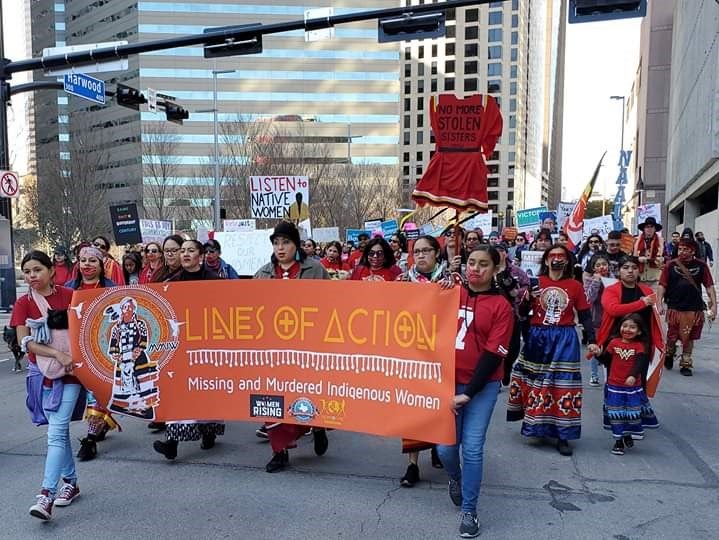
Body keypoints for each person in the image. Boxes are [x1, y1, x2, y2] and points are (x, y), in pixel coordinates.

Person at [437, 245, 514, 539]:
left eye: (483, 264)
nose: (476, 269)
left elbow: (494, 355)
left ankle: (470, 510)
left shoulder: (501, 307)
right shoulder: (451, 292)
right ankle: (455, 478)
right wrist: (437, 288)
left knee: (471, 448)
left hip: (482, 386)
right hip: (446, 381)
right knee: (445, 449)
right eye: (471, 262)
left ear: (496, 269)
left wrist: (468, 392)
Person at [11, 251, 85, 520]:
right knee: (58, 431)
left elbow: (85, 329)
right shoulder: (23, 303)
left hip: (71, 373)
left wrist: (70, 357)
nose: (32, 276)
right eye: (27, 271)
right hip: (41, 373)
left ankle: (46, 495)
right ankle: (71, 483)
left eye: (37, 270)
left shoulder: (70, 296)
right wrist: (56, 353)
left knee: (55, 432)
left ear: (51, 270)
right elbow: (25, 342)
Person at [507, 245, 598, 456]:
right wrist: (527, 299)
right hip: (538, 337)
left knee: (563, 386)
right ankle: (537, 425)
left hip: (565, 338)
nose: (557, 259)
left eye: (561, 256)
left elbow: (585, 315)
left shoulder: (575, 286)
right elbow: (522, 313)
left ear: (567, 261)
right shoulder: (535, 283)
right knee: (537, 383)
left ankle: (563, 434)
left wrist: (593, 340)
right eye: (553, 256)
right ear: (546, 260)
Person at [254, 221, 330, 472]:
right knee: (272, 395)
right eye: (276, 243)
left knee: (307, 391)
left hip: (307, 345)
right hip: (273, 348)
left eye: (285, 242)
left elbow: (333, 304)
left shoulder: (315, 270)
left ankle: (317, 426)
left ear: (296, 245)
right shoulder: (263, 273)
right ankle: (279, 451)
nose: (280, 247)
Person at [153, 240, 225, 460]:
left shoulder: (214, 281)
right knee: (180, 390)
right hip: (182, 344)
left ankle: (208, 431)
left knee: (205, 390)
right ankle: (172, 442)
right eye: (182, 250)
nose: (185, 254)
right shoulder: (171, 283)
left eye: (190, 250)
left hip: (207, 344)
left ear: (200, 256)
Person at [396, 235, 456, 487]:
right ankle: (412, 465)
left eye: (426, 251)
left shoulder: (451, 280)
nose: (420, 255)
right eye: (416, 251)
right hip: (412, 353)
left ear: (436, 253)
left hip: (443, 355)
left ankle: (437, 447)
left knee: (440, 407)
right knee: (413, 409)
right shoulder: (402, 281)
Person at [66, 246, 121, 462]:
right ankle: (97, 426)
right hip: (75, 347)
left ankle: (90, 440)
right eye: (83, 260)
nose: (87, 265)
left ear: (100, 264)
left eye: (92, 261)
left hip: (103, 348)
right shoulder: (69, 289)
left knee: (97, 391)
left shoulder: (112, 289)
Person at [597, 313, 659, 455]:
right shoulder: (613, 343)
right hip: (614, 387)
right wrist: (598, 354)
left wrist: (633, 375)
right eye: (624, 326)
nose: (627, 329)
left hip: (632, 388)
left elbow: (640, 363)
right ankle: (618, 442)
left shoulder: (640, 346)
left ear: (639, 331)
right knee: (616, 414)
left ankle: (627, 434)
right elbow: (606, 361)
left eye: (632, 327)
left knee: (630, 414)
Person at [656, 238, 717, 376]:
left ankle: (686, 363)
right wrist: (659, 303)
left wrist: (714, 306)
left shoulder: (701, 266)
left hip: (694, 308)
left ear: (692, 251)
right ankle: (669, 353)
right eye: (680, 249)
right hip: (675, 307)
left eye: (685, 249)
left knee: (689, 337)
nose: (681, 252)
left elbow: (709, 286)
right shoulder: (670, 265)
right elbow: (662, 285)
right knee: (672, 336)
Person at [493, 242, 529, 386]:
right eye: (495, 251)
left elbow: (526, 286)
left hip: (513, 313)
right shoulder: (487, 269)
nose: (498, 253)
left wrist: (516, 292)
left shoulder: (516, 271)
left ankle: (507, 366)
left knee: (513, 347)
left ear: (505, 253)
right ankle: (496, 372)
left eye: (500, 250)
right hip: (493, 315)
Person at [583, 253, 611, 386]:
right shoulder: (589, 280)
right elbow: (589, 298)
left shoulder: (614, 279)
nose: (602, 267)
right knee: (596, 347)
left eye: (604, 264)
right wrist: (596, 281)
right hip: (596, 319)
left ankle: (608, 375)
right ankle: (594, 375)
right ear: (593, 268)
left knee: (609, 348)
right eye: (598, 265)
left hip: (610, 318)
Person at [633, 217, 664, 288]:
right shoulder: (636, 240)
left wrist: (661, 259)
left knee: (654, 295)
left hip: (655, 278)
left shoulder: (661, 241)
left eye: (651, 227)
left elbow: (666, 256)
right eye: (647, 227)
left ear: (655, 229)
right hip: (639, 277)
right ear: (644, 229)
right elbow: (630, 258)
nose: (649, 229)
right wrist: (638, 259)